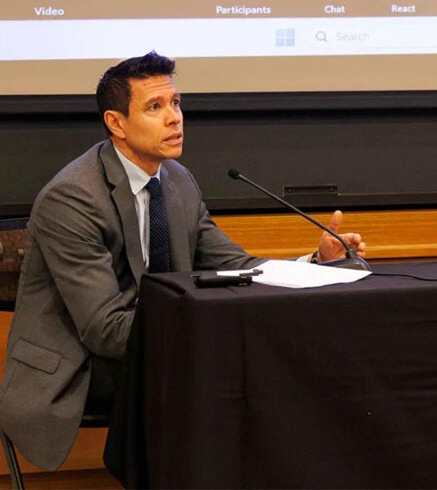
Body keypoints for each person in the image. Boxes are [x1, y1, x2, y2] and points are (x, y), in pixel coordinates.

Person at [0, 51, 365, 473]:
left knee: (255, 366)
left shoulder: (177, 181)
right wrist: (198, 332)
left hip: (155, 347)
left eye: (175, 103)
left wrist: (318, 262)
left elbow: (237, 265)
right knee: (216, 374)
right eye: (155, 107)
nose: (174, 118)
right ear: (116, 123)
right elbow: (103, 330)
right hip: (80, 366)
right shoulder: (73, 198)